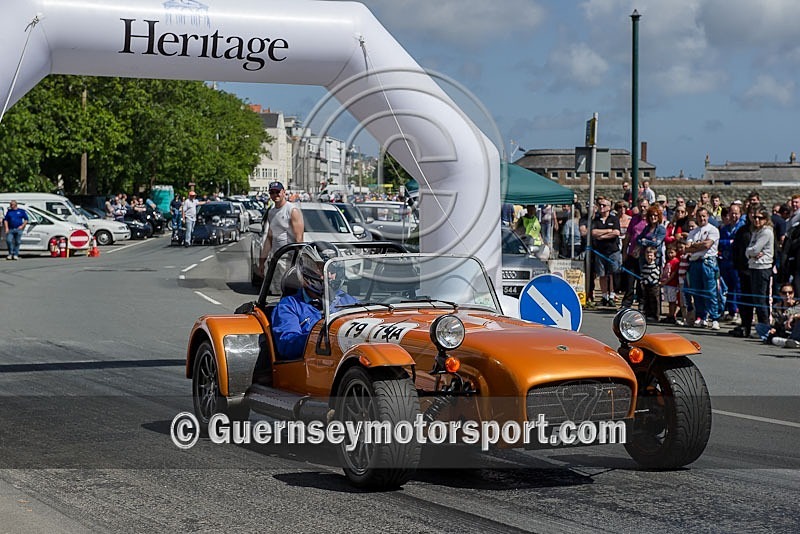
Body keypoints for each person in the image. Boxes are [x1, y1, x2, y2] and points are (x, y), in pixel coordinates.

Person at [271, 242, 357, 360]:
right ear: (307, 270)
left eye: (333, 270)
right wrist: (326, 337)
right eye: (324, 269)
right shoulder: (289, 306)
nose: (330, 276)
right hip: (311, 367)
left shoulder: (348, 300)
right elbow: (287, 345)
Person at [686, 207, 722, 330]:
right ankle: (701, 316)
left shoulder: (713, 230)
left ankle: (715, 318)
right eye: (699, 216)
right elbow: (687, 247)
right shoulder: (693, 232)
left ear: (708, 216)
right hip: (695, 262)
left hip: (708, 262)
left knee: (710, 291)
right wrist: (698, 246)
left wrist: (695, 245)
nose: (702, 218)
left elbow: (707, 245)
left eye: (704, 216)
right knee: (697, 291)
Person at [746, 204, 774, 340]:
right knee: (757, 299)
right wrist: (750, 253)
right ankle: (761, 326)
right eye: (755, 217)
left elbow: (755, 249)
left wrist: (751, 252)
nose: (757, 220)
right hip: (754, 267)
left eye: (760, 218)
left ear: (765, 218)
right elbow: (749, 250)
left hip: (763, 268)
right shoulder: (756, 231)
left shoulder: (766, 232)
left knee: (762, 300)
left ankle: (765, 327)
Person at [590, 197, 621, 307]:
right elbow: (593, 232)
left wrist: (602, 237)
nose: (601, 207)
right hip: (600, 251)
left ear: (609, 208)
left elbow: (616, 232)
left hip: (612, 250)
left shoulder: (614, 219)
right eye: (600, 205)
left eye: (604, 205)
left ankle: (612, 295)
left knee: (612, 273)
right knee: (602, 274)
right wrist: (608, 231)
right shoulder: (596, 220)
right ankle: (604, 296)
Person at [763, 283, 800, 347]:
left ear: (793, 293)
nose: (787, 295)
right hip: (784, 331)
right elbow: (777, 323)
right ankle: (787, 342)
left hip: (795, 330)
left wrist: (793, 317)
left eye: (790, 292)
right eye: (784, 293)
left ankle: (790, 342)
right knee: (760, 327)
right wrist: (774, 329)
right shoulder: (777, 307)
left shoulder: (798, 304)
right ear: (780, 294)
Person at [639, 246, 661, 322]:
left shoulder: (655, 266)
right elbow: (642, 275)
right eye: (647, 255)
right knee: (647, 300)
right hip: (646, 286)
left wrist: (646, 281)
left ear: (654, 257)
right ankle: (648, 314)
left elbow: (654, 275)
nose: (649, 257)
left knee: (654, 301)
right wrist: (642, 280)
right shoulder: (645, 266)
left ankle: (655, 316)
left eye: (651, 255)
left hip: (654, 286)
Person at [660, 244, 680, 323]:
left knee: (672, 301)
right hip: (667, 284)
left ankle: (672, 315)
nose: (670, 254)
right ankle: (669, 314)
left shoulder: (676, 262)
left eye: (672, 252)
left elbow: (673, 274)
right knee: (668, 301)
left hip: (672, 284)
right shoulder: (668, 261)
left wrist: (666, 282)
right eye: (668, 253)